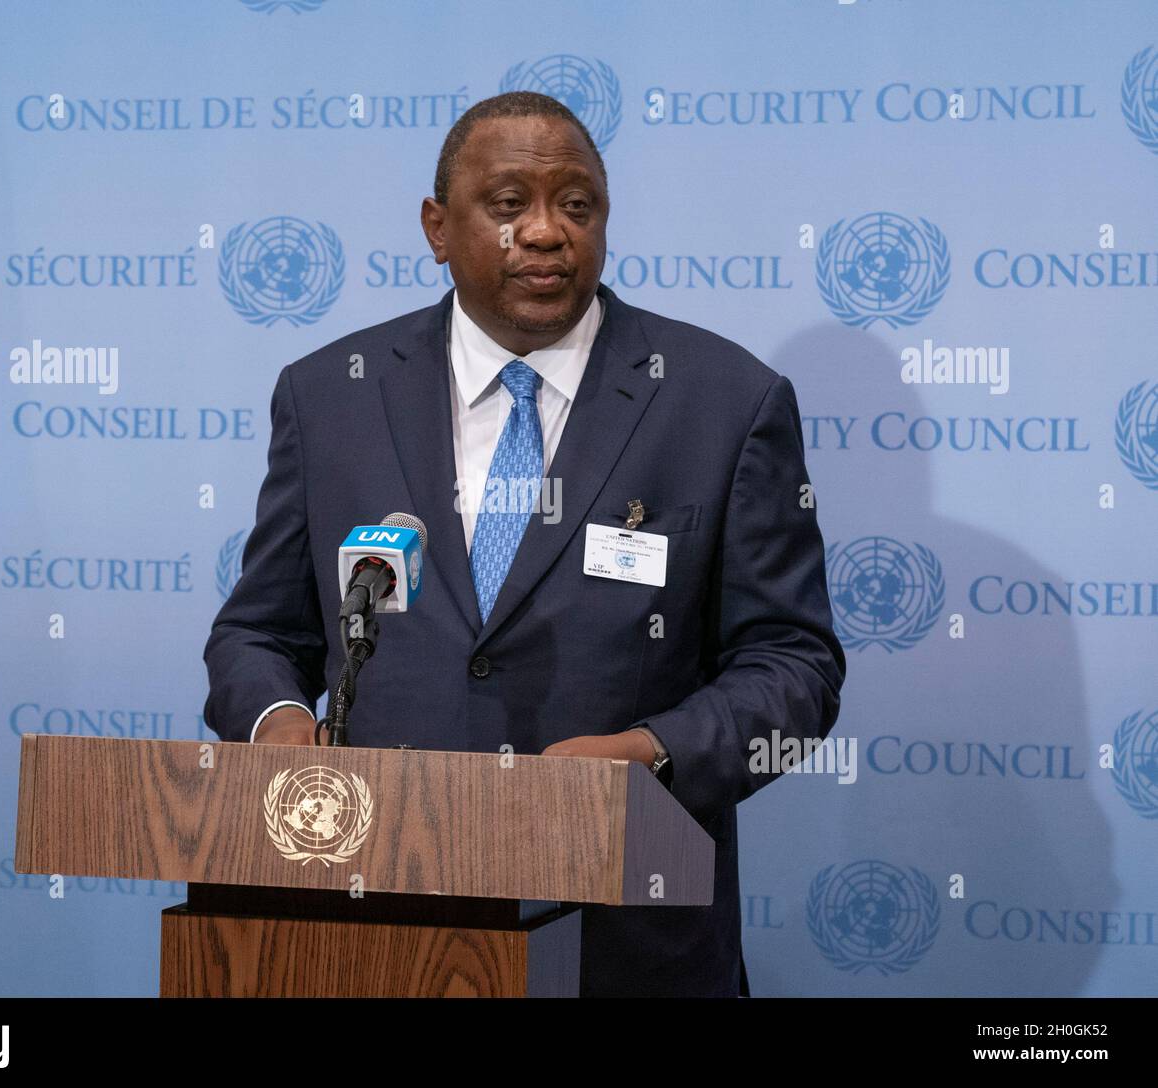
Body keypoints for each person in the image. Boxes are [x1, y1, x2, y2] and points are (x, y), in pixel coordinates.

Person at [204, 90, 845, 997]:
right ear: (437, 225)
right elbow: (258, 634)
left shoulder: (722, 402)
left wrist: (651, 754)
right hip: (372, 925)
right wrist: (277, 726)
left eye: (576, 206)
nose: (545, 233)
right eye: (509, 205)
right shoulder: (329, 397)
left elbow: (793, 663)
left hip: (625, 943)